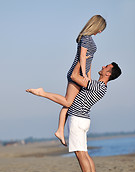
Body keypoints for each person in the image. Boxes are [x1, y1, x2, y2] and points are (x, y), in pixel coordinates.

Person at [26, 62, 122, 172]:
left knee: (80, 154)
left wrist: (79, 62)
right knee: (85, 154)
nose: (103, 66)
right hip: (82, 119)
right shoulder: (100, 86)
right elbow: (86, 77)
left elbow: (74, 76)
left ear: (108, 73)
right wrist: (88, 63)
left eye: (106, 67)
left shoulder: (98, 86)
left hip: (77, 119)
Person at [28, 15, 106, 146]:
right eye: (100, 29)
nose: (100, 32)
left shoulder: (89, 38)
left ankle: (59, 130)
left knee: (70, 103)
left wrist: (89, 77)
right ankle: (42, 93)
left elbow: (89, 60)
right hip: (76, 75)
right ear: (96, 26)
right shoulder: (86, 38)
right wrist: (84, 75)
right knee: (68, 101)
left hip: (82, 76)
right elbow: (82, 56)